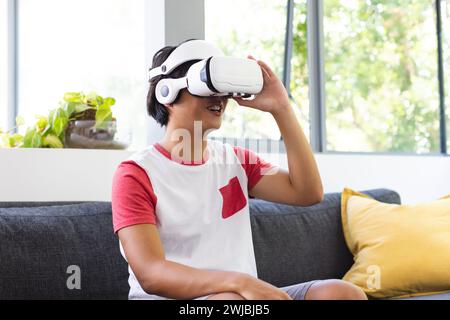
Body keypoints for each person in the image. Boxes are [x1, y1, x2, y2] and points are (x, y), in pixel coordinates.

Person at [112, 40, 367, 300]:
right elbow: (151, 274)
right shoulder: (136, 173)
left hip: (242, 297)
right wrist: (239, 283)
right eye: (206, 87)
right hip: (188, 299)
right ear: (167, 94)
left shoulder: (236, 162)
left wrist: (281, 108)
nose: (220, 98)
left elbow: (308, 192)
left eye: (221, 89)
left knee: (341, 293)